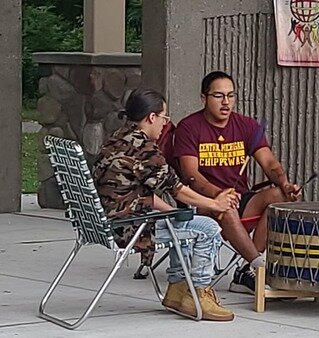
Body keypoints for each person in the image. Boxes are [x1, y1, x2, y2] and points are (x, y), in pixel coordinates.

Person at [92, 89, 237, 321]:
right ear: (151, 117)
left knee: (185, 219)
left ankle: (178, 290)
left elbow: (138, 194)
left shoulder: (117, 138)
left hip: (109, 222)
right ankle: (198, 293)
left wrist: (173, 212)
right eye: (164, 118)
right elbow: (177, 188)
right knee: (208, 228)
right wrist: (215, 204)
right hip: (130, 227)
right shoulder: (144, 149)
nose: (164, 124)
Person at [173, 71, 301, 295]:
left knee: (279, 198)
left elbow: (269, 162)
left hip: (241, 197)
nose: (226, 102)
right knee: (226, 207)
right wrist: (218, 195)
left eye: (231, 96)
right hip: (203, 203)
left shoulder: (247, 125)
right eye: (218, 96)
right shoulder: (189, 127)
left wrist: (285, 184)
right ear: (204, 98)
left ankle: (244, 271)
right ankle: (259, 267)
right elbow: (190, 174)